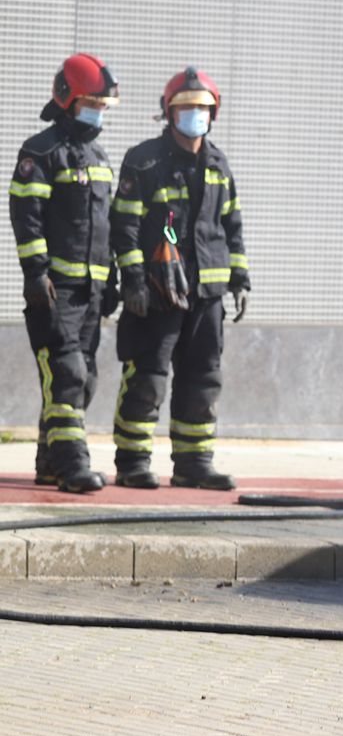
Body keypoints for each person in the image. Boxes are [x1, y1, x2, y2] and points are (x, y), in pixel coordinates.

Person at [108, 67, 250, 491]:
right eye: (186, 108)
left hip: (207, 294)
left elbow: (231, 226)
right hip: (157, 292)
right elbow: (125, 225)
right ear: (168, 113)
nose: (195, 116)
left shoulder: (219, 165)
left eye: (202, 108)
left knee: (203, 377)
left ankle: (194, 463)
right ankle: (132, 461)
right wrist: (133, 280)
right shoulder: (144, 160)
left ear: (214, 114)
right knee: (147, 376)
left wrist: (240, 278)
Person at [9, 53, 121, 493]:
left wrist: (110, 281)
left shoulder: (98, 156)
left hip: (91, 292)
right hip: (54, 292)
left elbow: (108, 225)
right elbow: (26, 216)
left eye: (102, 106)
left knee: (81, 378)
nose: (97, 113)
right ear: (67, 99)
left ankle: (49, 462)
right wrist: (36, 273)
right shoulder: (40, 153)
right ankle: (73, 467)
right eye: (91, 103)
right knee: (68, 373)